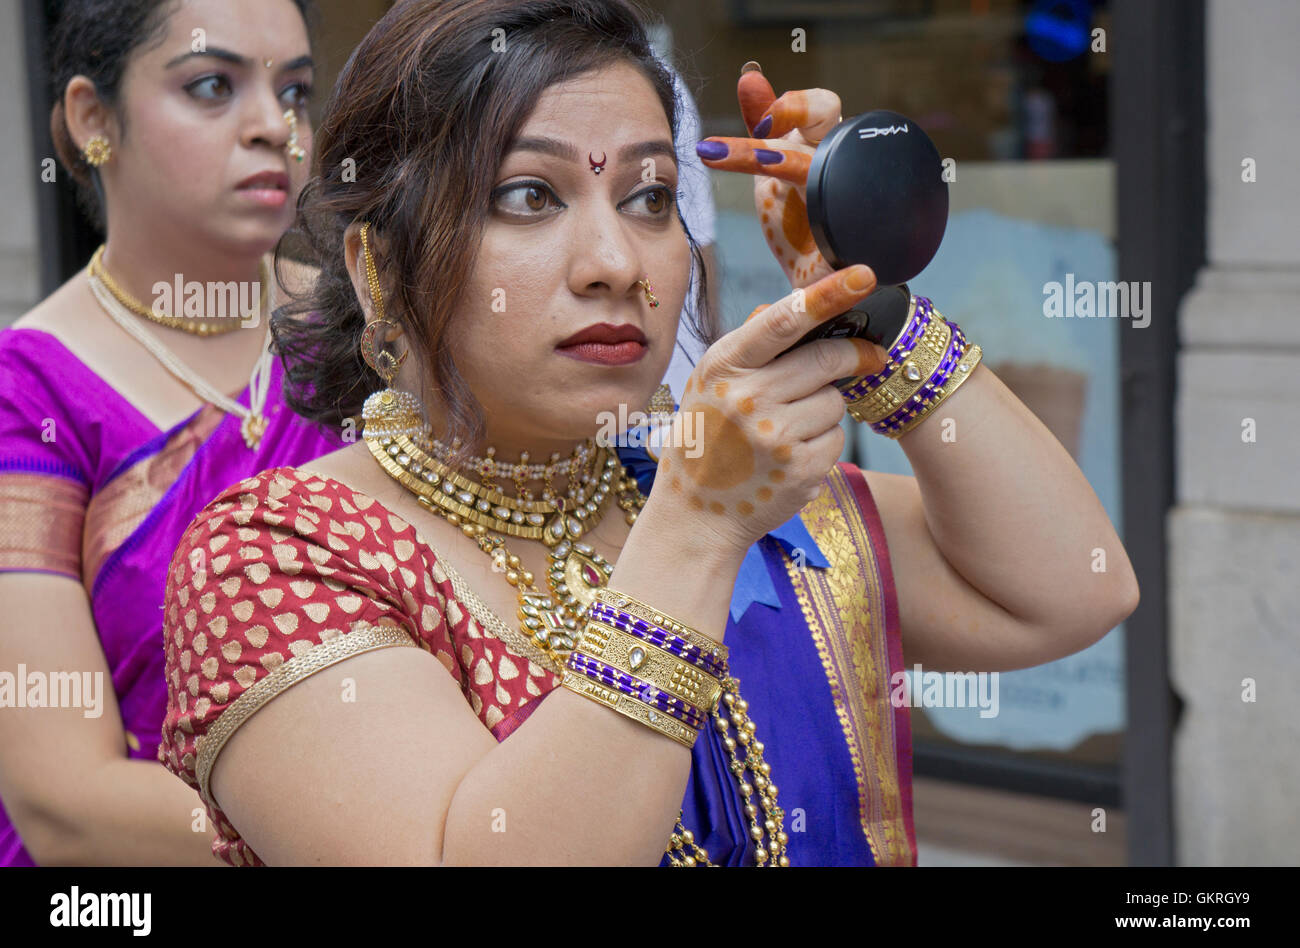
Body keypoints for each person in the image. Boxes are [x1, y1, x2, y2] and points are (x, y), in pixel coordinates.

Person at [159, 0, 1140, 866]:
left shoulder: (716, 482)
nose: (616, 261)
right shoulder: (277, 561)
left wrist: (863, 300)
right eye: (530, 196)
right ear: (378, 270)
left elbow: (1070, 589)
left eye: (650, 196)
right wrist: (697, 534)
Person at [0, 0, 344, 866]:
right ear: (92, 122)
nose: (275, 126)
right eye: (212, 87)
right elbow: (68, 803)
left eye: (295, 92)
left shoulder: (373, 333)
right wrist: (377, 835)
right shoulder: (26, 395)